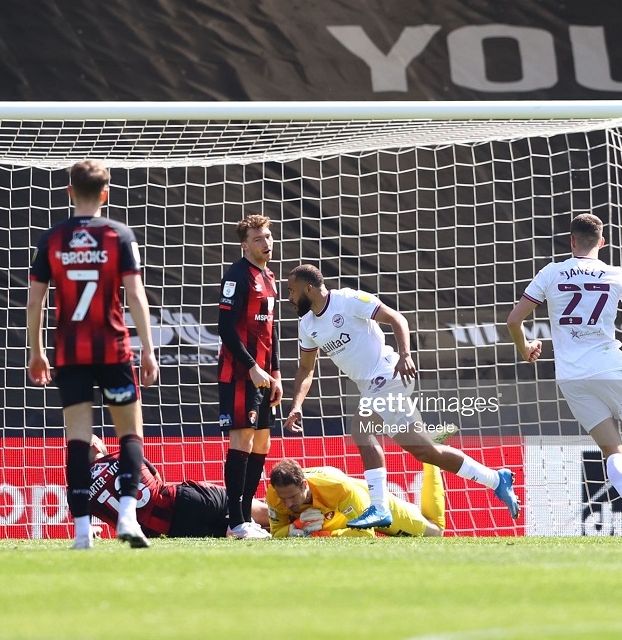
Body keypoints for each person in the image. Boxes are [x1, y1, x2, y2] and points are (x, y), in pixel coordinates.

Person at [506, 213, 622, 542]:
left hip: (571, 377)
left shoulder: (551, 273)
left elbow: (513, 319)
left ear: (571, 241)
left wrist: (525, 347)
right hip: (610, 368)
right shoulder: (615, 275)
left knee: (613, 451)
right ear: (602, 242)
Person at [283, 264, 520, 529]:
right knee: (426, 451)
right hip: (371, 386)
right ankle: (496, 480)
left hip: (388, 372)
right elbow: (306, 368)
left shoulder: (348, 300)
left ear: (309, 288)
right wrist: (297, 406)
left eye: (292, 291)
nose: (289, 297)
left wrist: (405, 355)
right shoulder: (308, 325)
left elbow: (397, 318)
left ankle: (379, 507)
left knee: (361, 429)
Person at [27, 159, 159, 550]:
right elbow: (135, 295)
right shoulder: (119, 235)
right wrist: (148, 350)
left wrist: (36, 352)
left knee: (78, 440)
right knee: (129, 433)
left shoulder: (53, 238)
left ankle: (83, 531)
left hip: (70, 353)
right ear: (106, 194)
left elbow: (35, 301)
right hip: (113, 350)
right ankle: (129, 518)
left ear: (70, 192)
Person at [216, 214, 281, 539]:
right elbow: (225, 327)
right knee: (241, 439)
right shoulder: (237, 277)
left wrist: (276, 373)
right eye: (258, 239)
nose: (266, 243)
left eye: (268, 237)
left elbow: (272, 331)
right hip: (240, 375)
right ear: (245, 244)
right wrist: (252, 366)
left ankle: (246, 517)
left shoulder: (269, 277)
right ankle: (235, 520)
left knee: (262, 442)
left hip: (264, 377)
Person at [86, 436, 269, 537]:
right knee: (249, 512)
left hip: (170, 531)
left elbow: (83, 521)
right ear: (95, 446)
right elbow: (158, 480)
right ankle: (293, 518)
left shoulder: (81, 491)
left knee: (234, 535)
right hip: (185, 501)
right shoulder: (126, 454)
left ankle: (289, 526)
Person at [266, 458, 446, 538]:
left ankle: (431, 457)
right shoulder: (275, 495)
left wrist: (323, 535)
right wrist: (293, 529)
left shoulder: (336, 486)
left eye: (292, 497)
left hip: (365, 501)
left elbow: (366, 533)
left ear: (304, 485)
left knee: (435, 531)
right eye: (284, 498)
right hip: (338, 518)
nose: (288, 504)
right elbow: (277, 533)